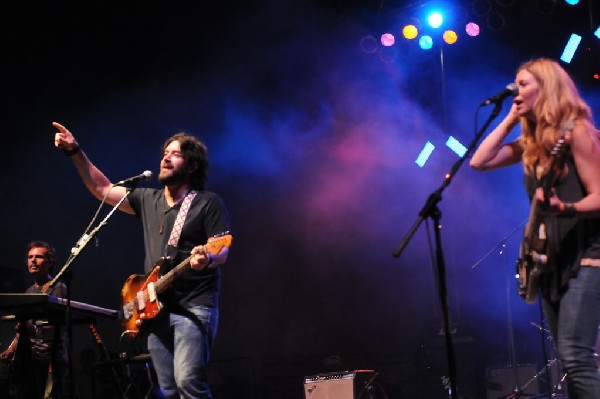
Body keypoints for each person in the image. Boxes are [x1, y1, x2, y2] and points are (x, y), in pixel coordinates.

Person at [52, 121, 231, 399]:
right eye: (164, 152)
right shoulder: (148, 198)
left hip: (194, 308)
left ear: (192, 166)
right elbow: (102, 189)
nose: (165, 157)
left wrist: (206, 258)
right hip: (154, 309)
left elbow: (221, 248)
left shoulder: (208, 203)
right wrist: (74, 151)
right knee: (169, 391)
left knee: (188, 383)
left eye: (175, 153)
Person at [470, 58, 600, 398]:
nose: (515, 91)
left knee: (576, 355)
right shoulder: (531, 146)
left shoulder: (578, 132)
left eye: (524, 84)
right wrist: (510, 118)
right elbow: (479, 161)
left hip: (589, 254)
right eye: (515, 84)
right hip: (551, 260)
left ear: (547, 88)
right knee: (568, 363)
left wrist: (565, 207)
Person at [0, 241, 69, 399]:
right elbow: (23, 328)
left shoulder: (57, 287)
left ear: (49, 262)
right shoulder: (29, 291)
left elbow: (57, 324)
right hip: (32, 358)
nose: (33, 260)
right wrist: (11, 349)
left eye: (38, 257)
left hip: (50, 358)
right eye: (30, 257)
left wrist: (30, 324)